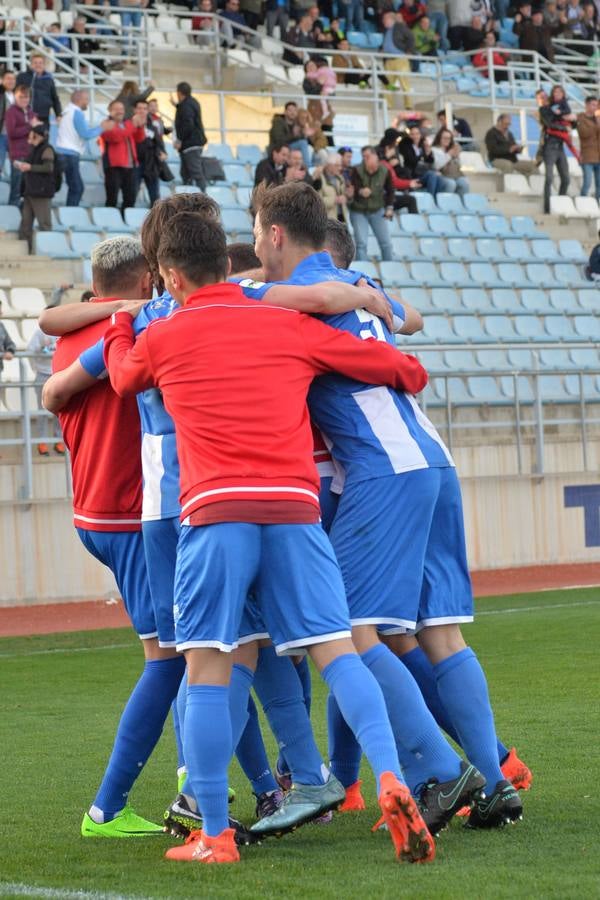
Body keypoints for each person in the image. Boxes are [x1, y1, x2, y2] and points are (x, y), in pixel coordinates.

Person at [38, 193, 402, 844]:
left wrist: (120, 321)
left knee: (207, 660)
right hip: (289, 504)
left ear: (166, 271)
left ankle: (212, 818)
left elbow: (92, 377)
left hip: (196, 509)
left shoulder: (155, 324)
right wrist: (378, 306)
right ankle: (381, 778)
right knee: (327, 647)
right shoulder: (265, 310)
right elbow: (337, 323)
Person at [243, 183, 514, 836]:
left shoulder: (289, 300)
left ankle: (443, 775)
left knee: (349, 631)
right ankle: (496, 784)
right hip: (429, 455)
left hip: (380, 466)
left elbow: (253, 297)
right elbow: (409, 318)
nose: (253, 246)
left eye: (256, 233)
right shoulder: (352, 278)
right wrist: (370, 296)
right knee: (434, 632)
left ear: (277, 234)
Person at [41, 237, 186, 840]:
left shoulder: (71, 333)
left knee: (184, 648)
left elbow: (53, 370)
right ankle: (109, 806)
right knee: (175, 657)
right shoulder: (124, 333)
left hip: (94, 514)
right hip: (132, 514)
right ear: (144, 279)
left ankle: (192, 776)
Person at [56, 90, 113, 207]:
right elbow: (85, 134)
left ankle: (69, 213)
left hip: (64, 153)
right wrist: (102, 127)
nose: (88, 102)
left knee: (74, 186)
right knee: (77, 187)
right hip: (70, 155)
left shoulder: (67, 111)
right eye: (86, 99)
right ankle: (70, 214)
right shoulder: (76, 113)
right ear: (79, 99)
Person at [15, 125, 57, 253]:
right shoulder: (34, 149)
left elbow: (49, 168)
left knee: (44, 224)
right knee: (25, 224)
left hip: (41, 192)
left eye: (32, 135)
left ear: (37, 135)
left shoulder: (47, 149)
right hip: (30, 191)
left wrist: (30, 167)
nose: (29, 137)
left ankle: (47, 252)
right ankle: (25, 252)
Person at [349, 145, 394, 261]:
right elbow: (353, 188)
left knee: (386, 243)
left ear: (375, 156)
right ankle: (362, 273)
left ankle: (390, 269)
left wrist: (389, 207)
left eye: (367, 156)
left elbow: (390, 190)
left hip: (377, 210)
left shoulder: (385, 171)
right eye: (363, 157)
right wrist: (360, 191)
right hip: (358, 210)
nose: (365, 159)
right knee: (361, 244)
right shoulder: (356, 170)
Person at [26, 321, 64, 456]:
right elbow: (30, 351)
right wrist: (36, 368)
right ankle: (42, 442)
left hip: (58, 374)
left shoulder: (62, 331)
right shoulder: (40, 334)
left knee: (59, 409)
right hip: (42, 375)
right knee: (42, 410)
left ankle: (59, 440)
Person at [101, 100, 146, 213]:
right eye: (116, 109)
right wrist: (132, 126)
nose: (120, 111)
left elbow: (139, 138)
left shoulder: (127, 124)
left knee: (131, 197)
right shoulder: (106, 123)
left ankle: (124, 221)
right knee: (112, 198)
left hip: (130, 166)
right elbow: (116, 137)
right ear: (110, 111)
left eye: (121, 109)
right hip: (113, 166)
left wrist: (140, 127)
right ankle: (111, 222)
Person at [540, 84, 576, 214]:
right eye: (555, 91)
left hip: (560, 147)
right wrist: (563, 122)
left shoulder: (565, 107)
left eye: (560, 91)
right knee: (549, 178)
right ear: (552, 94)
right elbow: (549, 123)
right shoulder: (545, 108)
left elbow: (573, 126)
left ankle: (559, 203)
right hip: (550, 145)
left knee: (566, 178)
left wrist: (573, 120)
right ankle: (547, 207)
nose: (558, 93)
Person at [5, 85, 40, 206]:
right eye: (21, 97)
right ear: (15, 97)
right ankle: (11, 215)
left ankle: (24, 217)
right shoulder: (11, 112)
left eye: (26, 97)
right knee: (17, 187)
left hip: (30, 154)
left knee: (27, 188)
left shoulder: (31, 112)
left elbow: (37, 133)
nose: (24, 100)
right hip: (18, 155)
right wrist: (30, 125)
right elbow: (12, 133)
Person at [173, 82, 207, 192]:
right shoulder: (193, 102)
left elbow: (188, 123)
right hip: (194, 142)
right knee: (185, 173)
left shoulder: (185, 105)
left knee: (195, 172)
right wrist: (177, 106)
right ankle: (188, 199)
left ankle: (204, 197)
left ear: (179, 93)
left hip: (190, 144)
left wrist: (180, 140)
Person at [132, 99, 167, 207]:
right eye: (139, 108)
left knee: (155, 197)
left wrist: (163, 153)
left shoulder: (153, 126)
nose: (142, 111)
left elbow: (159, 143)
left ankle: (155, 221)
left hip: (151, 163)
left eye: (145, 108)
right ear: (134, 110)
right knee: (131, 194)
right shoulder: (129, 124)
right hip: (135, 163)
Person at [377, 128, 420, 213]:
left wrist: (409, 183)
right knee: (410, 199)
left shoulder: (395, 149)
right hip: (381, 195)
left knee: (406, 171)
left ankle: (407, 190)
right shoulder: (377, 151)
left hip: (391, 182)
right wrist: (387, 158)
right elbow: (377, 167)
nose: (397, 141)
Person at [398, 123, 446, 196]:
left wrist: (428, 153)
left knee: (440, 179)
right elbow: (412, 160)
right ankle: (431, 198)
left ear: (420, 135)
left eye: (417, 134)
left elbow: (430, 161)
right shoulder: (405, 145)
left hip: (424, 173)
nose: (415, 136)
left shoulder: (423, 145)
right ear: (409, 135)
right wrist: (422, 155)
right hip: (413, 174)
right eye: (412, 134)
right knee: (432, 175)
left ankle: (436, 200)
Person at [15, 53, 61, 125]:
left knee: (43, 136)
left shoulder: (49, 79)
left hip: (43, 116)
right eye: (35, 63)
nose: (38, 65)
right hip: (25, 116)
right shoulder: (22, 77)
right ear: (30, 65)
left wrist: (58, 114)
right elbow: (15, 94)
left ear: (44, 65)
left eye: (40, 63)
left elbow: (55, 98)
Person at [382, 10, 414, 110]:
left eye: (385, 19)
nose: (383, 21)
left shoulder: (399, 26)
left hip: (400, 59)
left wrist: (408, 50)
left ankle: (408, 105)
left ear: (391, 19)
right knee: (387, 83)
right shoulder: (386, 30)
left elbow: (411, 37)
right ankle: (387, 105)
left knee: (404, 83)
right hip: (389, 61)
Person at [268, 101, 311, 168]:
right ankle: (308, 168)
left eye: (295, 110)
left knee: (309, 147)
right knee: (302, 143)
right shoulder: (278, 122)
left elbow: (299, 138)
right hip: (279, 149)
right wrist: (294, 135)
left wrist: (305, 134)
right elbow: (279, 140)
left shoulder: (296, 123)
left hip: (290, 148)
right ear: (285, 112)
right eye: (290, 110)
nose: (292, 112)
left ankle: (305, 167)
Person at [431, 127, 470, 195]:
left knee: (464, 183)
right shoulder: (434, 150)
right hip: (441, 175)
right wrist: (449, 155)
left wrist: (457, 157)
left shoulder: (452, 148)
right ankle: (446, 204)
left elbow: (460, 166)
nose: (447, 140)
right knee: (451, 183)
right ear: (439, 138)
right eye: (445, 138)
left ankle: (460, 204)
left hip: (454, 175)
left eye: (449, 138)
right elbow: (436, 166)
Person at [315, 152, 349, 222]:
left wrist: (348, 195)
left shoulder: (340, 178)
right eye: (337, 165)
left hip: (342, 218)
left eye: (340, 165)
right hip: (326, 220)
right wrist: (334, 200)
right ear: (329, 165)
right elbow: (316, 201)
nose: (340, 168)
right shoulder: (319, 178)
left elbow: (344, 196)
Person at [577, 96, 600, 200]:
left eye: (596, 105)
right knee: (587, 182)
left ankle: (597, 205)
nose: (595, 107)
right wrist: (597, 125)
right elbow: (584, 134)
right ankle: (582, 202)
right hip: (587, 156)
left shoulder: (597, 119)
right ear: (586, 105)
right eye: (593, 104)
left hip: (598, 155)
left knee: (599, 184)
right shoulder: (581, 118)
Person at [0, 70, 16, 176]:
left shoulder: (18, 95)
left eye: (13, 79)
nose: (11, 81)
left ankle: (15, 193)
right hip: (1, 136)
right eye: (8, 78)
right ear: (2, 80)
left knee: (17, 170)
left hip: (15, 138)